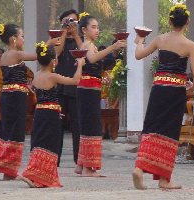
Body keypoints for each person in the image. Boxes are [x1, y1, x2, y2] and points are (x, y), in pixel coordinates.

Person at [132, 4, 194, 190]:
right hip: (176, 91)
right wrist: (189, 88)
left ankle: (140, 168)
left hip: (159, 88)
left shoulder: (160, 39)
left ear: (170, 21)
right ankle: (164, 179)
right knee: (169, 132)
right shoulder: (190, 45)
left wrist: (139, 41)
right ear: (187, 22)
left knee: (152, 127)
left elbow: (139, 55)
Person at [0, 23, 58, 181]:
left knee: (9, 131)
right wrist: (48, 43)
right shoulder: (14, 54)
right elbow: (37, 56)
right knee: (15, 132)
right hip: (15, 96)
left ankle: (7, 169)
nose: (23, 39)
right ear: (13, 39)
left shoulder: (7, 55)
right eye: (22, 36)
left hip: (11, 96)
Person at [19, 42, 85, 188]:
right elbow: (75, 80)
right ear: (53, 61)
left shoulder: (37, 76)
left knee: (39, 142)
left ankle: (34, 175)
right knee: (50, 144)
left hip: (39, 112)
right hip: (51, 114)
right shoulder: (52, 76)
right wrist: (80, 64)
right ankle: (40, 177)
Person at [75, 12, 126, 176]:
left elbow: (91, 68)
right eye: (93, 27)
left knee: (89, 125)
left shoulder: (90, 44)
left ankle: (82, 165)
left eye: (98, 27)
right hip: (87, 91)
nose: (97, 30)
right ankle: (88, 168)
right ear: (84, 30)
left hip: (90, 88)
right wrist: (113, 47)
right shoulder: (87, 45)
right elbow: (91, 59)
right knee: (92, 126)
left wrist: (101, 79)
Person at [55, 9, 83, 168]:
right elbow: (56, 55)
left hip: (76, 87)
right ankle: (55, 159)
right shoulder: (58, 38)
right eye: (68, 21)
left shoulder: (81, 38)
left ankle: (78, 160)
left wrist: (76, 34)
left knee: (77, 125)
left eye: (74, 21)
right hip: (59, 87)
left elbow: (84, 53)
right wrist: (64, 33)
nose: (71, 24)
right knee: (57, 125)